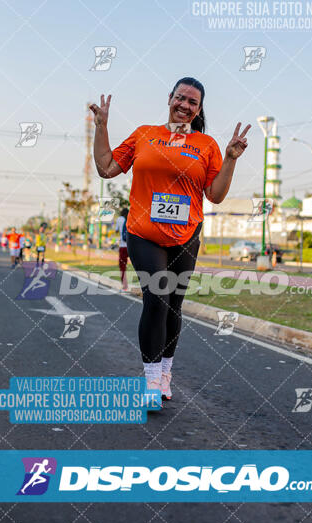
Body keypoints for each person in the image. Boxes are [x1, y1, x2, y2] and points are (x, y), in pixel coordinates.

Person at [90, 77, 250, 407]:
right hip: (143, 233)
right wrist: (101, 126)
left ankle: (165, 373)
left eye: (192, 102)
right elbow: (106, 168)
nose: (184, 105)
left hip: (186, 235)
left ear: (199, 109)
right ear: (169, 99)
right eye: (180, 98)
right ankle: (150, 382)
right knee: (157, 297)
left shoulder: (207, 146)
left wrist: (231, 158)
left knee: (174, 305)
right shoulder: (144, 134)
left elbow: (216, 195)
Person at [115, 208, 129, 291]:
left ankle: (125, 287)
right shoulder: (130, 219)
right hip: (132, 246)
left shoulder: (119, 219)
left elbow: (116, 231)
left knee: (122, 267)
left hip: (123, 246)